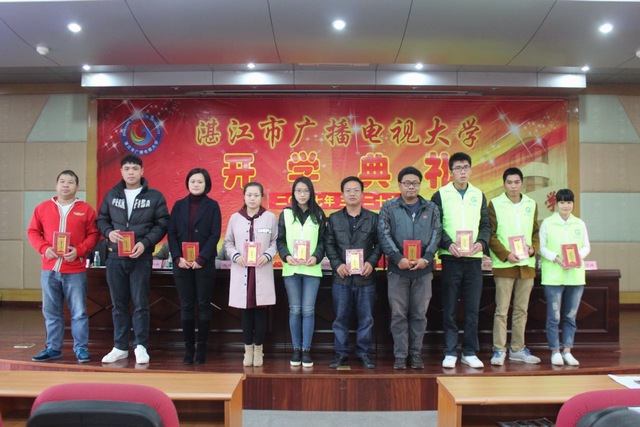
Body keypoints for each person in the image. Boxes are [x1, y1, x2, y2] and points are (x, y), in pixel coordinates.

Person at [96, 154, 169, 365]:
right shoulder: (112, 195)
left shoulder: (154, 196)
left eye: (135, 168)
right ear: (121, 171)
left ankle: (140, 346)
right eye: (127, 168)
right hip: (115, 258)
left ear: (142, 171)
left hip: (141, 258)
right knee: (118, 304)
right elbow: (101, 219)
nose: (131, 172)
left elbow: (162, 224)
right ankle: (119, 347)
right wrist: (108, 232)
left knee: (140, 304)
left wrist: (145, 243)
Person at [27, 170, 100, 363]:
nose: (65, 185)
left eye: (70, 182)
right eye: (62, 181)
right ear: (56, 185)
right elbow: (32, 232)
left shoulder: (86, 210)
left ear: (77, 187)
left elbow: (94, 235)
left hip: (75, 270)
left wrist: (79, 251)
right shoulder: (42, 208)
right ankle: (52, 348)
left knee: (79, 313)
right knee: (51, 312)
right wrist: (44, 249)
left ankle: (81, 348)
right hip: (49, 269)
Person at [378, 167, 441, 370]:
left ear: (420, 185)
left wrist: (427, 258)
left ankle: (415, 354)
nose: (411, 187)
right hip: (398, 271)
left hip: (423, 270)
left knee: (419, 315)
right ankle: (400, 355)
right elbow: (383, 234)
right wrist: (398, 258)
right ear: (399, 185)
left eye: (415, 183)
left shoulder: (431, 208)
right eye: (407, 183)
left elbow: (437, 234)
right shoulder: (389, 207)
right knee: (398, 315)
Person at [432, 152, 491, 369]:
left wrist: (481, 243)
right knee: (449, 307)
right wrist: (448, 244)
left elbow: (486, 225)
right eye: (458, 168)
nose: (462, 171)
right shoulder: (440, 195)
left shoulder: (479, 194)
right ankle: (450, 351)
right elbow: (436, 226)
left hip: (473, 259)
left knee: (472, 308)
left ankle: (469, 351)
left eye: (466, 167)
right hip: (451, 258)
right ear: (451, 172)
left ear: (471, 170)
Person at [325, 176, 382, 369]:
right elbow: (329, 245)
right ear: (342, 194)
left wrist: (371, 263)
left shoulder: (373, 218)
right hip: (341, 278)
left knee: (366, 319)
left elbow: (379, 245)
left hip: (366, 278)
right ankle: (341, 354)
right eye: (348, 190)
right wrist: (337, 264)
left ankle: (364, 354)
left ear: (362, 194)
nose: (352, 193)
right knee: (340, 319)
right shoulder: (334, 219)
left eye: (356, 190)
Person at [167, 168, 221, 365]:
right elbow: (171, 233)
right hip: (182, 264)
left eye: (200, 181)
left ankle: (202, 349)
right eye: (193, 181)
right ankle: (189, 349)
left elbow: (215, 234)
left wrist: (201, 258)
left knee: (204, 305)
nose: (196, 184)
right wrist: (177, 257)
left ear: (206, 184)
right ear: (187, 183)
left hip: (203, 264)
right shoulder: (179, 205)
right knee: (186, 306)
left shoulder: (212, 206)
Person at [488, 167, 541, 366]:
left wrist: (533, 249)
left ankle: (517, 349)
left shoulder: (531, 204)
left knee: (521, 310)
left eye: (516, 182)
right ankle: (499, 349)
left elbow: (535, 232)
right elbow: (491, 235)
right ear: (504, 184)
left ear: (522, 183)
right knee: (501, 310)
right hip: (505, 265)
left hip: (526, 265)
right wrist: (505, 254)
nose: (513, 186)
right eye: (509, 182)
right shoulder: (495, 204)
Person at [224, 182, 278, 367]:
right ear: (244, 197)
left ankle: (259, 350)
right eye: (249, 195)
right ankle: (247, 350)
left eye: (256, 195)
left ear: (262, 197)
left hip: (261, 269)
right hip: (243, 270)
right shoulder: (235, 218)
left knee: (261, 311)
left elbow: (275, 241)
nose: (252, 198)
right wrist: (236, 256)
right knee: (246, 312)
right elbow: (228, 243)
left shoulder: (270, 218)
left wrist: (267, 255)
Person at [276, 176, 326, 368]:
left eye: (306, 191)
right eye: (298, 191)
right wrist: (286, 256)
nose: (302, 194)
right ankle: (296, 349)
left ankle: (306, 350)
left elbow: (323, 242)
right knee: (295, 310)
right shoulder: (286, 214)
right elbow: (280, 240)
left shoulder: (319, 214)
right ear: (293, 193)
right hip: (292, 269)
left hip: (312, 270)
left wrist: (316, 256)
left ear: (311, 193)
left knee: (308, 310)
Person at [539, 188, 590, 366]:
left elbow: (586, 246)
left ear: (573, 204)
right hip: (553, 277)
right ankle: (555, 351)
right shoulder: (548, 223)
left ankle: (567, 350)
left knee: (570, 316)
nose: (565, 206)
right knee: (554, 317)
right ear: (556, 204)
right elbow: (541, 248)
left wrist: (577, 257)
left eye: (568, 202)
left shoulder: (579, 224)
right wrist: (556, 258)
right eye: (562, 202)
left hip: (575, 277)